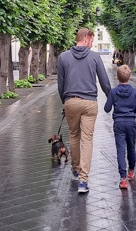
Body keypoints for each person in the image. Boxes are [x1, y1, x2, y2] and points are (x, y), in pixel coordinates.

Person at [58, 27, 112, 194]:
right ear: (86, 38)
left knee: (74, 136)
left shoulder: (63, 57)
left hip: (71, 101)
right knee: (87, 140)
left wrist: (65, 103)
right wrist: (112, 99)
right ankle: (83, 180)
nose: (92, 43)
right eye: (92, 40)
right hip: (89, 103)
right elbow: (105, 83)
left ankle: (75, 169)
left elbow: (61, 85)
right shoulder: (95, 57)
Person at [103, 64, 136, 189]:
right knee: (131, 147)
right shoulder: (134, 92)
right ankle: (131, 171)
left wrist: (109, 97)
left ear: (117, 77)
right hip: (131, 123)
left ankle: (123, 179)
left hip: (119, 124)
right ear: (130, 77)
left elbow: (106, 109)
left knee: (121, 150)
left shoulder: (113, 91)